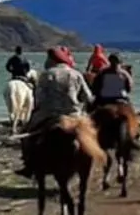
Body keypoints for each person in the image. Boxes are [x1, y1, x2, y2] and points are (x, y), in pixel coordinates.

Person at [16, 46, 94, 176]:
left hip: (48, 114)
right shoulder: (76, 74)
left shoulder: (46, 75)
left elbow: (39, 98)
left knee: (26, 133)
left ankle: (29, 165)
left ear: (52, 60)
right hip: (73, 115)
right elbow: (87, 97)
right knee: (91, 135)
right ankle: (93, 158)